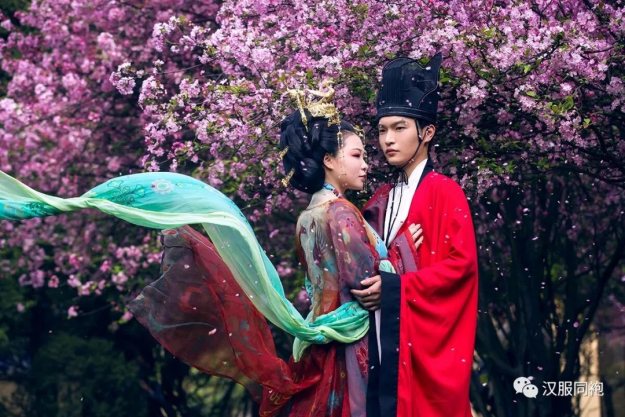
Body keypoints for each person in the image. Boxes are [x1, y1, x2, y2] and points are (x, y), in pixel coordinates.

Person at [0, 84, 423, 417]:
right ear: (329, 160)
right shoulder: (342, 213)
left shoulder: (307, 217)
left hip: (320, 344)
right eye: (356, 154)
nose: (365, 163)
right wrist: (404, 253)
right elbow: (364, 287)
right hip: (350, 350)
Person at [352, 54, 479, 417]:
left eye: (399, 128)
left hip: (419, 346)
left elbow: (461, 268)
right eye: (382, 130)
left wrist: (396, 287)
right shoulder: (380, 200)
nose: (388, 140)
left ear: (427, 133)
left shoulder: (446, 193)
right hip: (380, 338)